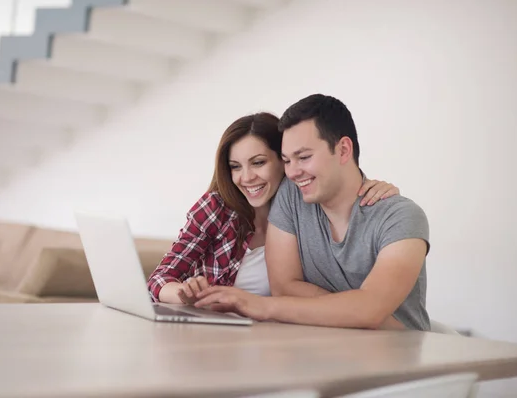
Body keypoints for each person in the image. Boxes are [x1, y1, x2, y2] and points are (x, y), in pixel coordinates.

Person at [194, 94, 431, 331]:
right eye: (287, 160)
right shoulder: (292, 196)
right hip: (320, 347)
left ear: (344, 150)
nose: (293, 172)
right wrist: (353, 308)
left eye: (304, 157)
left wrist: (262, 306)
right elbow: (284, 288)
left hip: (397, 357)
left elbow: (369, 310)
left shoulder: (401, 217)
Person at [147, 112, 401, 304]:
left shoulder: (309, 208)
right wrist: (185, 294)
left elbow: (340, 188)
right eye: (235, 166)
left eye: (258, 163)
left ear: (284, 160)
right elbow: (158, 280)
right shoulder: (216, 208)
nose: (246, 177)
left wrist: (375, 190)